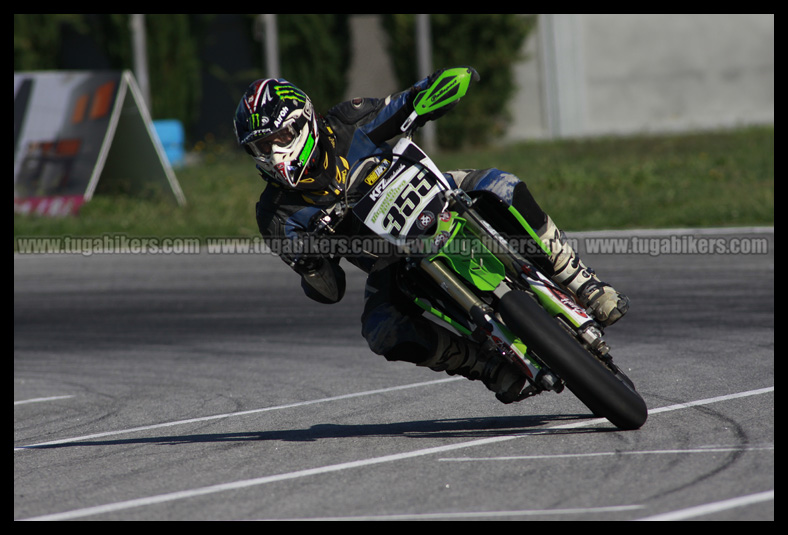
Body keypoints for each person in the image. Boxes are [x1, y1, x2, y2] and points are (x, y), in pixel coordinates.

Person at [233, 69, 629, 404]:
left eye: (278, 139)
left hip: (438, 197)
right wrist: (310, 264)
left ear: (303, 123)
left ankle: (580, 280)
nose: (271, 153)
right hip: (388, 258)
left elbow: (406, 103)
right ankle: (484, 365)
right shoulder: (275, 215)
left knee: (501, 186)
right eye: (260, 147)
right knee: (381, 330)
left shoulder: (349, 120)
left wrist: (437, 88)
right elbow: (328, 288)